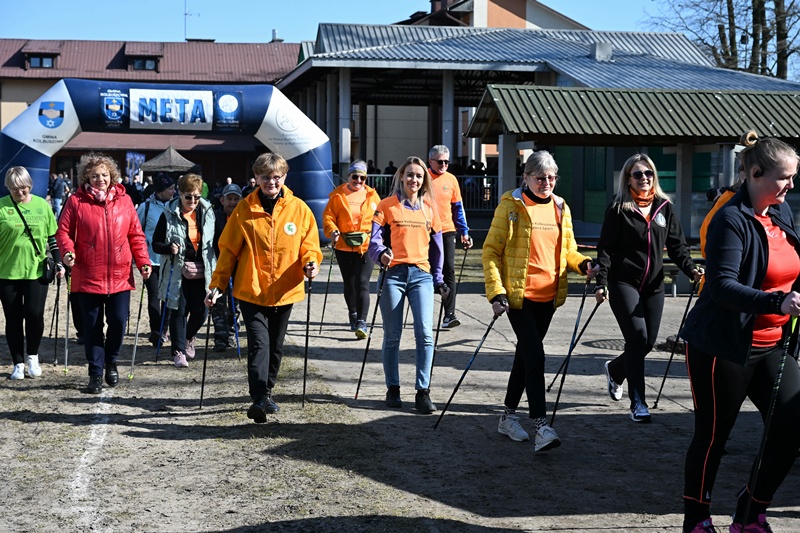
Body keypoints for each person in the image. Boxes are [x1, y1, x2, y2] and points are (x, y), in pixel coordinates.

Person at [680, 131, 800, 533]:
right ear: (755, 173)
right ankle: (697, 520)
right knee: (713, 436)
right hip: (723, 346)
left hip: (772, 344)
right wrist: (777, 302)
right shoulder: (730, 220)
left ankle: (751, 512)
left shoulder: (780, 212)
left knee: (792, 423)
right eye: (784, 177)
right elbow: (722, 287)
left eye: (794, 177)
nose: (791, 185)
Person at [482, 150, 596, 451]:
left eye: (551, 178)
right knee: (535, 356)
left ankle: (507, 416)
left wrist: (584, 264)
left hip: (549, 297)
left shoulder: (560, 207)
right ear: (526, 177)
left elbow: (568, 250)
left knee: (525, 355)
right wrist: (496, 291)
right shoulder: (511, 206)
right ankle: (542, 426)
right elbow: (490, 252)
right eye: (540, 178)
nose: (546, 183)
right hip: (518, 298)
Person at [205, 153, 321, 422]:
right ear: (256, 178)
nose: (272, 182)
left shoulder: (300, 209)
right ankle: (258, 397)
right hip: (252, 289)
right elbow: (228, 251)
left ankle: (267, 392)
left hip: (285, 290)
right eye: (266, 177)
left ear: (285, 177)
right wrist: (217, 285)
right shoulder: (243, 209)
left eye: (277, 177)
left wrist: (311, 263)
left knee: (276, 346)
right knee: (259, 344)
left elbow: (309, 245)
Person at [594, 154, 702, 423]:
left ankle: (616, 370)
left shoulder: (664, 207)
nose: (644, 178)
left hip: (654, 285)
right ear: (628, 179)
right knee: (637, 338)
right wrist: (601, 282)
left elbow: (677, 247)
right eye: (637, 174)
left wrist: (691, 269)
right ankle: (638, 403)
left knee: (648, 342)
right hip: (623, 282)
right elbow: (605, 248)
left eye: (648, 173)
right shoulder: (618, 208)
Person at [56, 153, 151, 394]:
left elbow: (136, 235)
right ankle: (95, 373)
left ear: (112, 176)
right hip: (88, 275)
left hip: (120, 276)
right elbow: (63, 232)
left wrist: (143, 261)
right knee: (92, 327)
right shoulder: (76, 201)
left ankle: (111, 360)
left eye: (105, 175)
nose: (100, 179)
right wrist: (67, 252)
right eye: (95, 175)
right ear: (86, 177)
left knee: (118, 322)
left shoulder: (125, 201)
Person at [368, 156, 446, 414]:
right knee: (392, 336)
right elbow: (374, 241)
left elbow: (438, 248)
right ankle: (393, 388)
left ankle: (423, 392)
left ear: (424, 180)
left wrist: (438, 278)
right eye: (410, 174)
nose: (414, 179)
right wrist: (381, 254)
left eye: (419, 176)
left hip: (421, 276)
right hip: (393, 275)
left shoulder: (430, 209)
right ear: (401, 176)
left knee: (425, 334)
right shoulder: (386, 205)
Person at [0, 167, 64, 379]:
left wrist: (58, 262)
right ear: (8, 187)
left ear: (30, 185)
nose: (20, 192)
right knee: (13, 319)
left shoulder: (42, 205)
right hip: (6, 272)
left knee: (35, 315)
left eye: (24, 188)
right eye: (14, 188)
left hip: (36, 271)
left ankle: (33, 356)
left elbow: (52, 238)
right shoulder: (1, 207)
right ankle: (18, 363)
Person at [152, 173, 216, 368]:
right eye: (188, 197)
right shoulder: (168, 214)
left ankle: (188, 337)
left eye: (197, 197)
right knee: (178, 310)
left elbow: (215, 241)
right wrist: (169, 248)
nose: (193, 201)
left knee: (202, 311)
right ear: (179, 194)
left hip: (202, 270)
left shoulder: (208, 213)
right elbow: (156, 244)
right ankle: (178, 351)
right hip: (177, 269)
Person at [322, 160, 380, 338]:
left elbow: (380, 218)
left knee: (362, 282)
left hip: (366, 245)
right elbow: (328, 217)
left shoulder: (373, 196)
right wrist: (333, 230)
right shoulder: (337, 196)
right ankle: (353, 313)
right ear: (348, 177)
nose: (359, 181)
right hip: (343, 245)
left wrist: (380, 239)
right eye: (355, 177)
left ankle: (362, 322)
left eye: (363, 178)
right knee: (350, 283)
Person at [427, 145, 472, 328]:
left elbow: (458, 208)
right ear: (430, 161)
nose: (444, 165)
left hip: (447, 230)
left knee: (449, 270)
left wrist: (464, 232)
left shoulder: (451, 179)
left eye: (447, 161)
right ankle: (424, 313)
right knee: (426, 271)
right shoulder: (423, 177)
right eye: (440, 162)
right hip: (426, 230)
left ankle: (449, 314)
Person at [136, 172, 175, 347]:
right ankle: (156, 331)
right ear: (160, 190)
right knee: (154, 296)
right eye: (170, 188)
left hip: (170, 260)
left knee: (167, 297)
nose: (173, 191)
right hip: (150, 260)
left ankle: (163, 330)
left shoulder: (175, 206)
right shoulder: (146, 207)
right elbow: (136, 230)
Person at [211, 182, 243, 352]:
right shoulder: (214, 217)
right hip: (218, 266)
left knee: (234, 304)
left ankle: (231, 334)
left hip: (239, 266)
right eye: (229, 199)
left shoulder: (244, 217)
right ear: (222, 200)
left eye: (236, 199)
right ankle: (220, 338)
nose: (232, 202)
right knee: (218, 303)